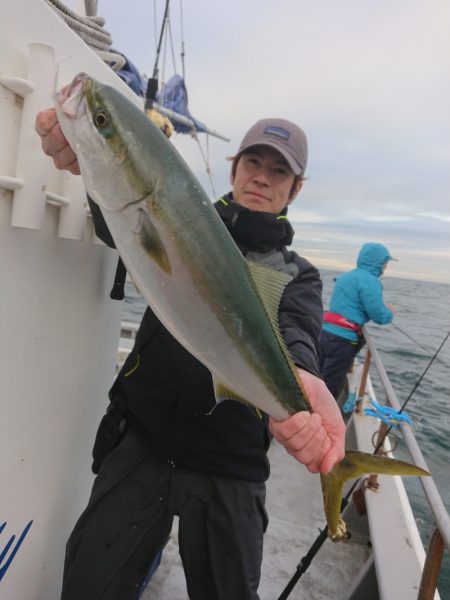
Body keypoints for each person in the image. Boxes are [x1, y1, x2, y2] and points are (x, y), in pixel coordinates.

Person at [35, 107, 346, 600]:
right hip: (144, 439)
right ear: (234, 168)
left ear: (296, 188)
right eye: (253, 163)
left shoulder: (297, 273)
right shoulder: (179, 214)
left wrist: (303, 377)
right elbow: (118, 219)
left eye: (279, 170)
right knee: (88, 587)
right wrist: (89, 165)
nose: (262, 177)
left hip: (232, 462)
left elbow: (298, 331)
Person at [320, 242, 396, 403]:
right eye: (385, 262)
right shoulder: (371, 281)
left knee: (315, 376)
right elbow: (379, 315)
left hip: (323, 333)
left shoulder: (346, 276)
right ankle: (318, 421)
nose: (386, 267)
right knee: (329, 385)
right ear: (379, 262)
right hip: (342, 341)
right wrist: (390, 312)